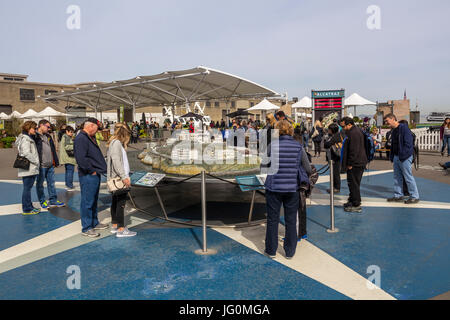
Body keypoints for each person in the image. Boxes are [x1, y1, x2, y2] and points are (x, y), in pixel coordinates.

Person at [264, 120, 310, 259]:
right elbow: (307, 168)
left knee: (272, 219)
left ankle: (271, 250)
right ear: (290, 131)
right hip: (292, 188)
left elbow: (264, 166)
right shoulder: (298, 146)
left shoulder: (272, 146)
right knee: (290, 220)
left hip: (274, 187)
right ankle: (290, 251)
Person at [74, 118, 108, 237]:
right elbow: (81, 159)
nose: (97, 131)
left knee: (93, 200)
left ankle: (94, 222)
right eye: (97, 129)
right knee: (88, 201)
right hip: (88, 175)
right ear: (91, 126)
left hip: (93, 173)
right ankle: (87, 227)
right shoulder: (81, 138)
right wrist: (91, 170)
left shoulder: (88, 137)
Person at [107, 123, 137, 238]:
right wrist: (124, 176)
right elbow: (117, 162)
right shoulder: (117, 143)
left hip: (116, 177)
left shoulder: (113, 143)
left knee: (115, 201)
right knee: (121, 204)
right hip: (119, 178)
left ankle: (115, 225)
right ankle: (121, 228)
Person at [384, 114, 420, 204]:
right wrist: (392, 156)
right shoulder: (394, 130)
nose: (386, 123)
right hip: (397, 156)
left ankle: (415, 196)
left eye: (387, 121)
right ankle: (398, 195)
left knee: (408, 177)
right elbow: (393, 144)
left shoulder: (403, 128)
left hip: (404, 157)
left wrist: (403, 156)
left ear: (393, 119)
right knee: (397, 177)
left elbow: (408, 144)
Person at [34, 120, 65, 209]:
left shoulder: (48, 136)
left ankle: (53, 200)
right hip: (41, 165)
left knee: (51, 183)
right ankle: (42, 201)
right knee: (40, 184)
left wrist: (56, 161)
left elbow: (52, 149)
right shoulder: (35, 136)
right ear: (41, 125)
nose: (49, 128)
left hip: (50, 164)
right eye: (47, 127)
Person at [341, 117, 368, 213]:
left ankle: (356, 203)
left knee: (354, 184)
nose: (342, 128)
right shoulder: (356, 131)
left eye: (343, 126)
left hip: (356, 163)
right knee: (353, 183)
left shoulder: (353, 133)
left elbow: (353, 150)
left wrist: (350, 163)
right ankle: (352, 200)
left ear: (349, 124)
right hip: (359, 161)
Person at [16, 121, 41, 215]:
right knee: (27, 188)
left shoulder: (24, 137)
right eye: (34, 128)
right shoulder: (26, 139)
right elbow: (26, 153)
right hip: (29, 167)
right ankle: (27, 209)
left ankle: (29, 206)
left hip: (29, 167)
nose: (35, 130)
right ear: (28, 128)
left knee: (28, 188)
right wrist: (36, 161)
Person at [293, 127, 313, 241]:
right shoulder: (301, 149)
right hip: (303, 183)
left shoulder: (297, 149)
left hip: (296, 184)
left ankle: (297, 234)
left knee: (295, 210)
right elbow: (308, 169)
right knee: (302, 207)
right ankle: (303, 232)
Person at [324, 123, 344, 194]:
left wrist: (326, 141)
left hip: (335, 157)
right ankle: (334, 187)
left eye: (329, 129)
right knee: (334, 173)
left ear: (332, 130)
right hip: (335, 156)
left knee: (335, 173)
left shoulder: (335, 137)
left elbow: (326, 145)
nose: (328, 130)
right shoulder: (338, 135)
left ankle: (336, 187)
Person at [59, 126, 77, 192]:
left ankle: (68, 184)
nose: (72, 133)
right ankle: (69, 185)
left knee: (68, 171)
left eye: (72, 132)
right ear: (67, 131)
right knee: (70, 172)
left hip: (66, 158)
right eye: (70, 132)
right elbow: (67, 146)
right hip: (68, 157)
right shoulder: (66, 137)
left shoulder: (65, 137)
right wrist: (75, 145)